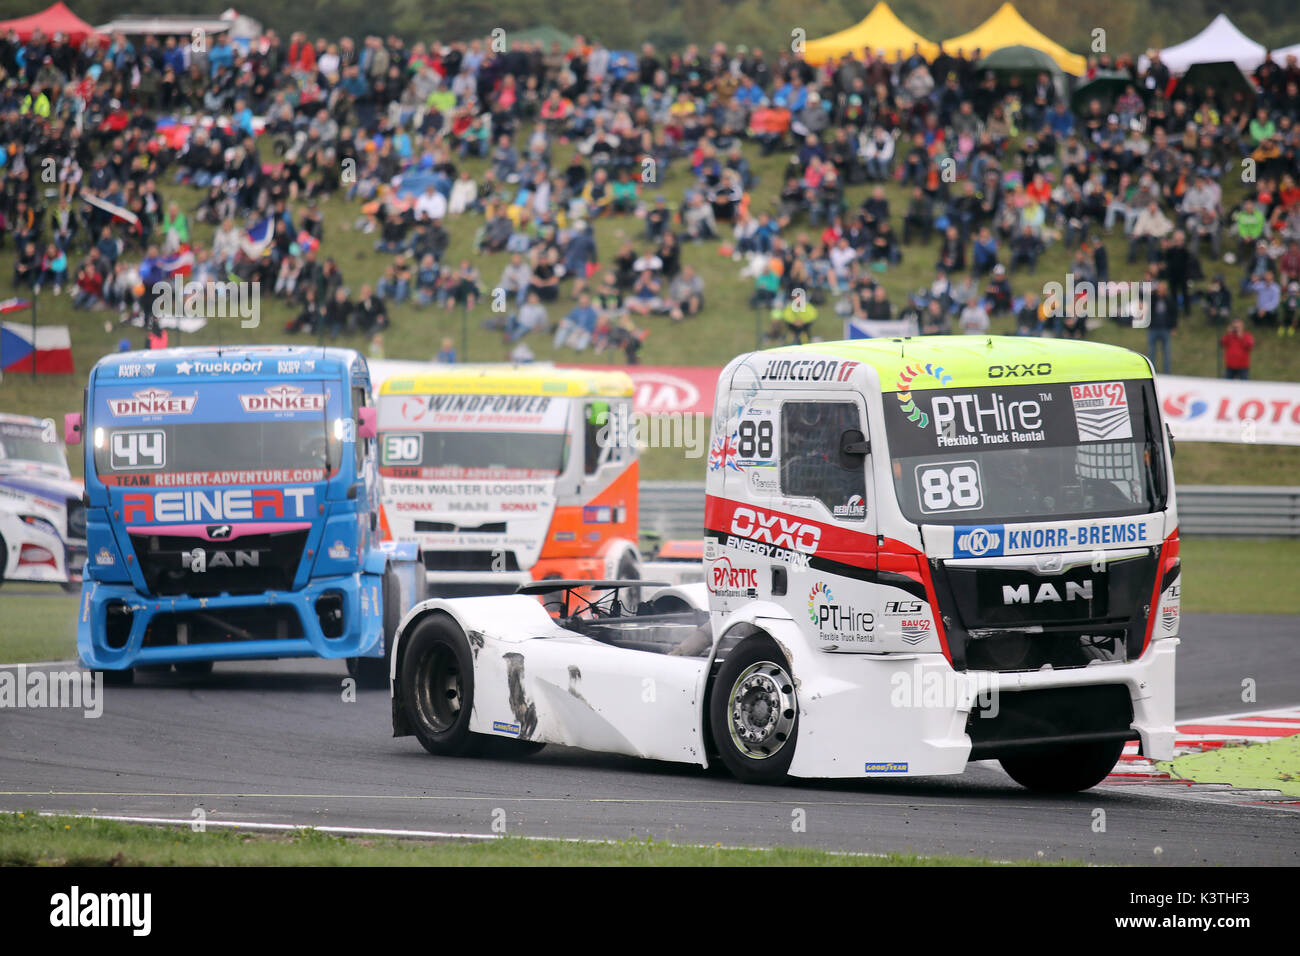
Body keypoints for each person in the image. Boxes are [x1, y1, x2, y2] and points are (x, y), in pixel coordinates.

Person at [1146, 279, 1177, 373]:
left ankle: (1167, 372)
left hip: (1165, 329)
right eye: (1159, 288)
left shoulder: (1169, 300)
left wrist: (1173, 327)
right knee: (1151, 352)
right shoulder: (1153, 299)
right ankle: (1151, 372)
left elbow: (1173, 314)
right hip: (1153, 328)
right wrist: (1154, 295)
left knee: (1166, 352)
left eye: (1163, 288)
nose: (1161, 290)